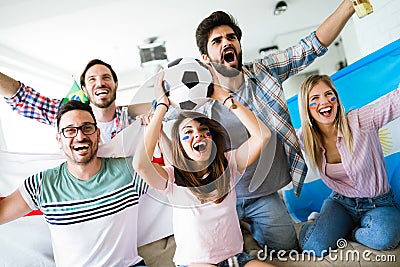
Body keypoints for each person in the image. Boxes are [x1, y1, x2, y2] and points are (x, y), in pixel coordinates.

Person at [193, 0, 355, 252]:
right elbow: (166, 117)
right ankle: (245, 237)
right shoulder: (197, 100)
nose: (227, 42)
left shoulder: (263, 72)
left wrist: (348, 6)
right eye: (217, 41)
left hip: (265, 194)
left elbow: (309, 47)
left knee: (288, 252)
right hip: (222, 199)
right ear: (205, 58)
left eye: (231, 37)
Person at [133, 72, 273, 267]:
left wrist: (223, 97)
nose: (197, 135)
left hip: (236, 259)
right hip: (195, 263)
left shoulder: (228, 163)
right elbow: (140, 164)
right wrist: (161, 109)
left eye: (203, 130)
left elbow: (263, 136)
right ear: (180, 147)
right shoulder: (172, 178)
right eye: (188, 133)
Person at [0, 100, 148, 266]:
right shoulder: (41, 185)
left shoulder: (129, 170)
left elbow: (175, 177)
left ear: (98, 134)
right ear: (59, 139)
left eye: (87, 128)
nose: (80, 136)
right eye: (70, 130)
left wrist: (155, 122)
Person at [296, 74, 400, 256]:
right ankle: (320, 222)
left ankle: (351, 231)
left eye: (329, 94)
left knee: (386, 236)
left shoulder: (361, 120)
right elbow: (275, 141)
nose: (325, 101)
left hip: (378, 203)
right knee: (313, 246)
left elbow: (395, 100)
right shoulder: (305, 137)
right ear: (307, 108)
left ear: (336, 97)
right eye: (315, 98)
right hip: (341, 202)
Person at [0, 59, 151, 144]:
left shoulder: (133, 118)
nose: (100, 83)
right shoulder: (69, 116)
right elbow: (22, 97)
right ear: (84, 89)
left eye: (106, 77)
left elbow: (169, 111)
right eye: (92, 79)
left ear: (116, 84)